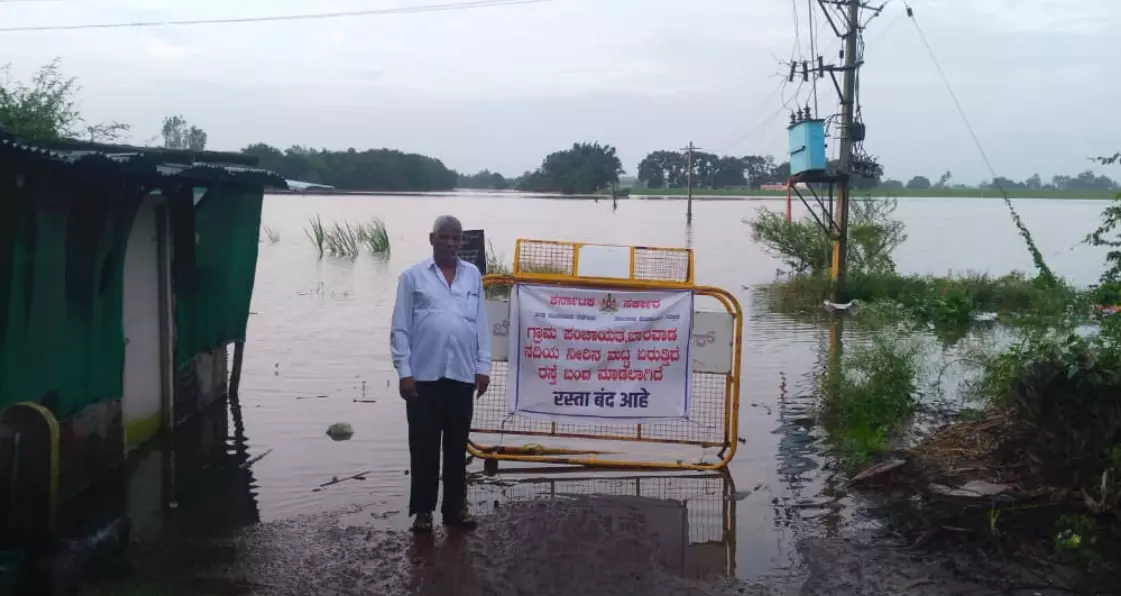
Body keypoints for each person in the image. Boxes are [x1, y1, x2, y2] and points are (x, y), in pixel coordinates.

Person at [390, 215, 490, 533]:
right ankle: (422, 512)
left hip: (461, 375)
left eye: (456, 238)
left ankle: (455, 509)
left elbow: (481, 326)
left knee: (456, 446)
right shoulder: (412, 277)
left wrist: (482, 367)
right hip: (423, 377)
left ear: (461, 242)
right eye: (444, 237)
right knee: (423, 446)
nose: (451, 243)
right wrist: (405, 373)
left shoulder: (472, 276)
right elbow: (400, 329)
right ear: (432, 238)